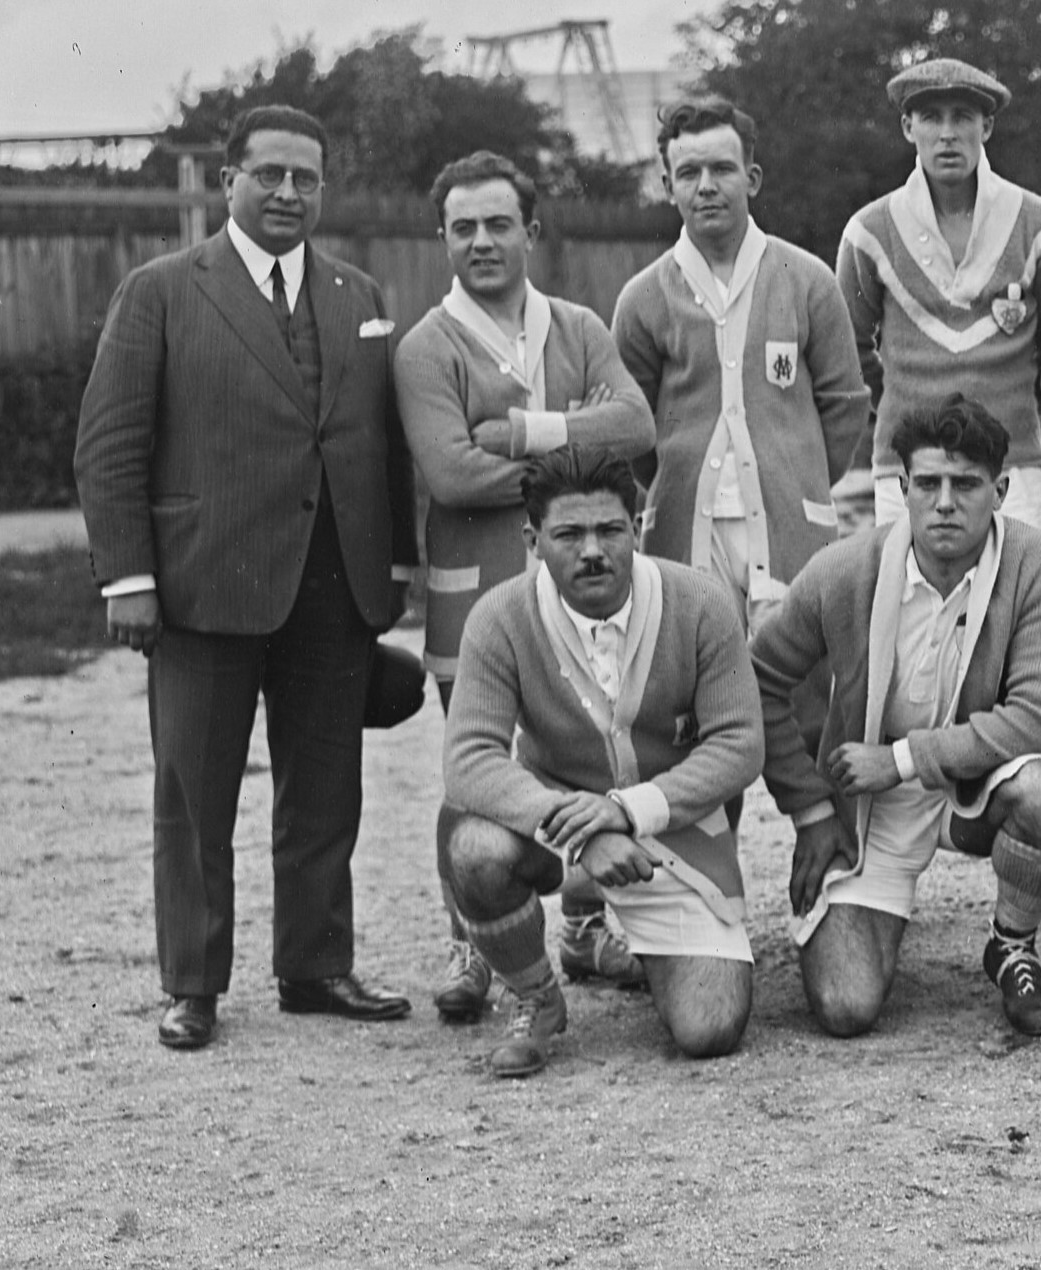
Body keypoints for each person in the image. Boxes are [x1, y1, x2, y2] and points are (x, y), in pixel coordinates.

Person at [74, 105, 418, 1050]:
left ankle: (315, 965)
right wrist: (128, 579)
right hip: (203, 586)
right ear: (227, 181)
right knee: (195, 793)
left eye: (306, 179)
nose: (288, 194)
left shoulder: (358, 294)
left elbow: (378, 443)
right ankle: (194, 983)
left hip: (329, 585)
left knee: (326, 788)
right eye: (269, 175)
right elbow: (109, 447)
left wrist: (391, 569)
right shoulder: (163, 291)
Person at [395, 149, 659, 1022]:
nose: (481, 242)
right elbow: (452, 473)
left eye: (498, 224)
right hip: (475, 593)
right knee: (478, 774)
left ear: (531, 231)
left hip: (583, 593)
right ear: (443, 238)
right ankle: (475, 941)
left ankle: (583, 926)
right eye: (462, 227)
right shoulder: (427, 347)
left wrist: (519, 433)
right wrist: (582, 463)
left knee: (585, 750)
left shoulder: (579, 327)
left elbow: (637, 424)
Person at [753, 394, 1041, 1038]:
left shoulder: (1036, 561)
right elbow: (759, 678)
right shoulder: (845, 569)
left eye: (967, 484)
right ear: (902, 488)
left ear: (1002, 489)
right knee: (846, 1007)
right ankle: (870, 907)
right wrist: (812, 809)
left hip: (973, 784)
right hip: (876, 803)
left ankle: (1012, 943)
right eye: (928, 483)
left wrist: (899, 759)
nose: (946, 502)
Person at [440, 447, 760, 1076]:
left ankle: (603, 939)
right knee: (474, 848)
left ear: (637, 528)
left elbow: (740, 742)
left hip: (669, 832)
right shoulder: (499, 617)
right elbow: (469, 761)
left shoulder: (698, 602)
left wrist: (621, 812)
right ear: (533, 540)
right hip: (559, 836)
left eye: (610, 530)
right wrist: (583, 835)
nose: (593, 550)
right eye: (569, 534)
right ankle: (535, 994)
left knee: (711, 1028)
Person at [612, 97, 868, 633]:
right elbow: (631, 427)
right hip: (685, 528)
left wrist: (796, 470)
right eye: (688, 172)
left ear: (751, 178)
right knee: (696, 677)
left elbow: (844, 406)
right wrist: (672, 477)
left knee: (796, 677)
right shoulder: (642, 298)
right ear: (667, 185)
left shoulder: (807, 280)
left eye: (722, 169)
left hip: (791, 522)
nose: (706, 185)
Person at [836, 59, 1041, 537]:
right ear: (908, 127)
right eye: (931, 117)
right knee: (910, 605)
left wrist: (1010, 408)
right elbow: (850, 351)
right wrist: (910, 409)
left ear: (986, 126)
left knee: (1019, 600)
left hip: (1013, 465)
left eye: (962, 117)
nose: (947, 134)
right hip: (906, 467)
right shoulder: (869, 230)